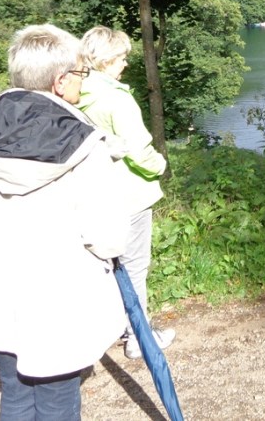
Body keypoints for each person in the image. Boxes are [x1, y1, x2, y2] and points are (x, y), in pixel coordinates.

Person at [0, 24, 130, 421]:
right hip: (60, 292)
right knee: (58, 402)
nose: (84, 81)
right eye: (81, 73)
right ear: (60, 81)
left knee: (16, 394)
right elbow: (106, 236)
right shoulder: (85, 140)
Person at [78, 26, 175, 360]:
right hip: (129, 195)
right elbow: (138, 150)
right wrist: (159, 166)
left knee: (106, 266)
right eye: (121, 57)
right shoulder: (116, 98)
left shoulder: (75, 94)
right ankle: (138, 336)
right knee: (134, 265)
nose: (125, 63)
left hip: (94, 195)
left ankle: (117, 326)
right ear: (106, 60)